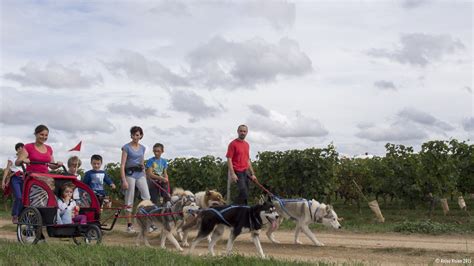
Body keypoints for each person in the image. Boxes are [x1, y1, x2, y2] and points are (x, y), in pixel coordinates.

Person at [120, 126, 150, 233]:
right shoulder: (126, 147)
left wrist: (145, 176)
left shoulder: (142, 148)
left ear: (141, 135)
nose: (135, 137)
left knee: (147, 197)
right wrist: (124, 180)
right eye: (133, 134)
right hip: (130, 174)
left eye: (137, 135)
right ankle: (129, 225)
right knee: (129, 199)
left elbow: (142, 163)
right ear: (131, 135)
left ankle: (147, 222)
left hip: (140, 173)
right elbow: (122, 165)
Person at [226, 124, 258, 205]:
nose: (242, 133)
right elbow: (229, 159)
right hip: (237, 171)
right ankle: (233, 207)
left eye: (244, 131)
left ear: (247, 132)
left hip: (246, 171)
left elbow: (248, 160)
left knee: (246, 193)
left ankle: (243, 209)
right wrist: (232, 174)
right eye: (241, 131)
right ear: (238, 132)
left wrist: (252, 174)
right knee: (243, 191)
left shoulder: (247, 144)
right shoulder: (233, 144)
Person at [2, 143, 25, 223]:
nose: (21, 150)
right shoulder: (12, 158)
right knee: (18, 196)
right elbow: (7, 169)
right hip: (15, 178)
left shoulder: (26, 158)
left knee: (24, 198)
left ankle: (21, 215)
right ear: (17, 149)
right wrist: (3, 181)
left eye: (23, 148)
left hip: (24, 178)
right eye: (19, 148)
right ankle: (15, 215)